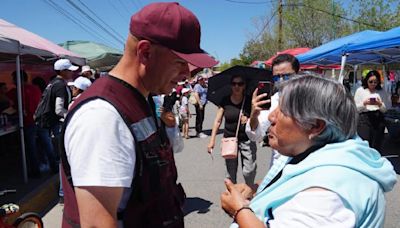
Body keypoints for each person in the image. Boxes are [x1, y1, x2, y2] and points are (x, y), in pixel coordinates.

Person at [60, 2, 217, 227]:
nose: (186, 73)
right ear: (145, 52)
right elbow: (97, 223)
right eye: (180, 62)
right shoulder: (102, 116)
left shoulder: (140, 99)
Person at [221, 74, 397, 228]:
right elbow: (298, 181)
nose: (272, 117)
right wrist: (257, 189)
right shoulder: (317, 153)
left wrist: (239, 211)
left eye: (283, 110)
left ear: (315, 126)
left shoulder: (327, 197)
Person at [245, 54, 299, 167]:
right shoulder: (272, 101)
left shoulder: (311, 98)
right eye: (276, 77)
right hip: (279, 165)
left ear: (298, 73)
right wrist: (254, 115)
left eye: (287, 76)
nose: (281, 80)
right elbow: (255, 135)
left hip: (307, 164)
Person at [207, 75, 256, 185]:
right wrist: (212, 140)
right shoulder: (225, 100)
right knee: (230, 173)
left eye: (240, 84)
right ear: (230, 85)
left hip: (247, 140)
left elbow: (256, 120)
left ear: (244, 86)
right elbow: (218, 121)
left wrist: (249, 119)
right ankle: (232, 196)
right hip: (229, 140)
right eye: (234, 83)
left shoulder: (249, 101)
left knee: (249, 171)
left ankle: (248, 192)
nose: (237, 86)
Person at [6, 70, 42, 178]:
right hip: (39, 120)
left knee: (31, 148)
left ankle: (35, 171)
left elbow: (10, 101)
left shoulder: (17, 91)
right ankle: (53, 165)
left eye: (13, 79)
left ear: (17, 79)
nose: (12, 81)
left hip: (28, 122)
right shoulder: (35, 88)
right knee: (44, 143)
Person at [354, 70, 391, 151]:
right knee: (364, 144)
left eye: (376, 82)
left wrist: (380, 104)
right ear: (366, 80)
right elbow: (355, 108)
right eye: (371, 81)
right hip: (364, 119)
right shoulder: (360, 91)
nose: (373, 84)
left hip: (378, 118)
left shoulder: (382, 91)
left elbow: (386, 109)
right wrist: (364, 103)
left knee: (376, 144)